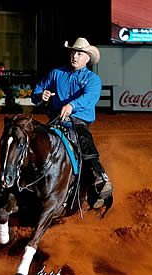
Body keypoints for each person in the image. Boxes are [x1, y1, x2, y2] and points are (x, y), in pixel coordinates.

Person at [32, 37, 113, 209]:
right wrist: (41, 95)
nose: (74, 56)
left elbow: (89, 98)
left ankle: (100, 180)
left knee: (85, 144)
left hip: (78, 121)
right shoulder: (56, 74)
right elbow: (37, 91)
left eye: (79, 53)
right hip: (55, 120)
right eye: (73, 52)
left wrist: (71, 105)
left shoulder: (93, 79)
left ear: (87, 58)